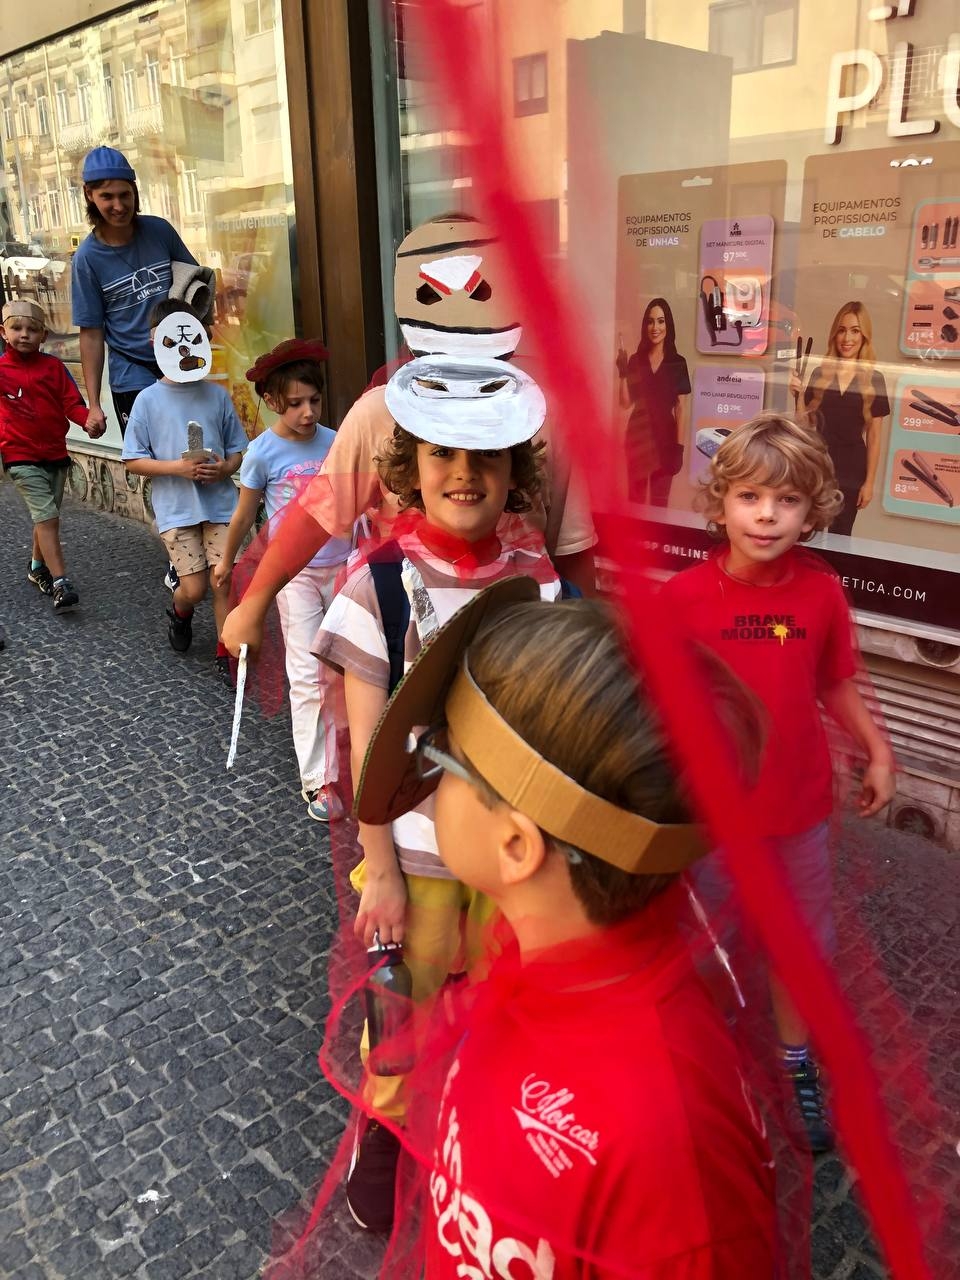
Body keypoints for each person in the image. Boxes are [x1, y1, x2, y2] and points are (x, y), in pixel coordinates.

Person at [346, 591, 778, 1276]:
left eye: (445, 756)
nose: (429, 774)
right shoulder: (526, 968)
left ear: (517, 846)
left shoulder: (672, 1151)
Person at [313, 355, 560, 1234]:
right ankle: (385, 1128)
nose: (464, 474)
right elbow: (369, 749)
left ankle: (483, 1123)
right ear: (409, 466)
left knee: (501, 1002)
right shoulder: (378, 583)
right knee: (404, 999)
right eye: (443, 454)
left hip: (505, 853)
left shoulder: (538, 582)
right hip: (413, 853)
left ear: (514, 471)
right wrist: (378, 869)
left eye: (486, 457)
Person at [661, 412, 896, 1152]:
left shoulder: (820, 595)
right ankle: (711, 1058)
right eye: (751, 497)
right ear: (721, 503)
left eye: (787, 500)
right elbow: (658, 703)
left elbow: (835, 680)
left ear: (812, 510)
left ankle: (796, 1067)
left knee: (799, 948)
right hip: (711, 818)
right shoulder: (683, 598)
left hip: (797, 811)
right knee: (709, 946)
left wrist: (878, 749)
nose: (767, 515)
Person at [220, 214, 596, 661]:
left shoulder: (542, 415)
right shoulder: (380, 412)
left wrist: (588, 645)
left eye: (479, 292)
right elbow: (318, 512)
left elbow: (571, 544)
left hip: (519, 633)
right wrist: (256, 601)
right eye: (435, 295)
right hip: (409, 626)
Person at [213, 339, 350, 821]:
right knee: (307, 672)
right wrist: (226, 561)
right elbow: (243, 514)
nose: (307, 412)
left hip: (346, 566)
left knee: (351, 666)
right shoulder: (262, 452)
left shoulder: (337, 441)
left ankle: (356, 755)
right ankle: (318, 778)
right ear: (272, 401)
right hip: (295, 576)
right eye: (295, 403)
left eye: (314, 400)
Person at [121, 300, 246, 677]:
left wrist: (225, 468)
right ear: (155, 342)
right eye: (173, 341)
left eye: (193, 338)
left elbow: (237, 449)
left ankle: (226, 651)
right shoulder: (147, 400)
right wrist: (177, 468)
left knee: (223, 580)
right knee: (194, 589)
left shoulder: (217, 395)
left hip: (221, 506)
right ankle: (180, 611)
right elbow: (133, 459)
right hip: (176, 511)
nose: (184, 348)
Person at [71, 146, 197, 440]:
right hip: (132, 373)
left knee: (194, 445)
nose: (119, 205)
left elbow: (195, 285)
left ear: (135, 191)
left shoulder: (160, 231)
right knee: (150, 456)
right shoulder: (87, 259)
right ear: (89, 194)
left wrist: (201, 325)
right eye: (107, 196)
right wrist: (94, 405)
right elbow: (91, 334)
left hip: (179, 358)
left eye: (124, 195)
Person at [0, 299, 104, 612]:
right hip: (20, 456)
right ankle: (61, 581)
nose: (24, 334)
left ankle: (36, 567)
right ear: (3, 332)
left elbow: (70, 403)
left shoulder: (54, 368)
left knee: (45, 516)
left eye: (32, 330)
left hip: (56, 454)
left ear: (44, 335)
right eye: (17, 328)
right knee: (47, 516)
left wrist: (87, 420)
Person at [789, 301, 889, 537]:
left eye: (855, 331)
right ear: (835, 334)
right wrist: (798, 396)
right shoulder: (820, 373)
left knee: (841, 534)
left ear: (864, 336)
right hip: (819, 465)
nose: (847, 338)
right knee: (808, 531)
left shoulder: (874, 379)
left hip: (853, 469)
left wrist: (869, 483)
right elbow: (804, 427)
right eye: (842, 330)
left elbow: (874, 437)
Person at [617, 296, 690, 506]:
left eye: (660, 321)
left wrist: (679, 448)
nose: (655, 327)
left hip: (665, 441)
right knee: (635, 502)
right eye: (650, 321)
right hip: (637, 439)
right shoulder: (636, 360)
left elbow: (681, 408)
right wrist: (623, 373)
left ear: (668, 325)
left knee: (660, 504)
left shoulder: (677, 363)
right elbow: (625, 403)